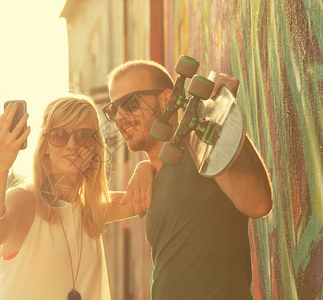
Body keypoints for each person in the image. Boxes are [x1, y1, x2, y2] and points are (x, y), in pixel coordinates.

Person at [103, 60, 273, 299]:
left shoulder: (201, 149)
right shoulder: (153, 174)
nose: (120, 116)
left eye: (130, 103)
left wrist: (227, 120)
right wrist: (145, 167)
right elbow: (86, 208)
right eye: (113, 110)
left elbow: (259, 203)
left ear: (166, 98)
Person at [0, 94, 153, 300]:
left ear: (95, 148)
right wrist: (0, 164)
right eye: (59, 134)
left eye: (84, 135)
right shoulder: (24, 199)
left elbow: (154, 196)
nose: (71, 144)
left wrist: (145, 166)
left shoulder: (93, 208)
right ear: (45, 147)